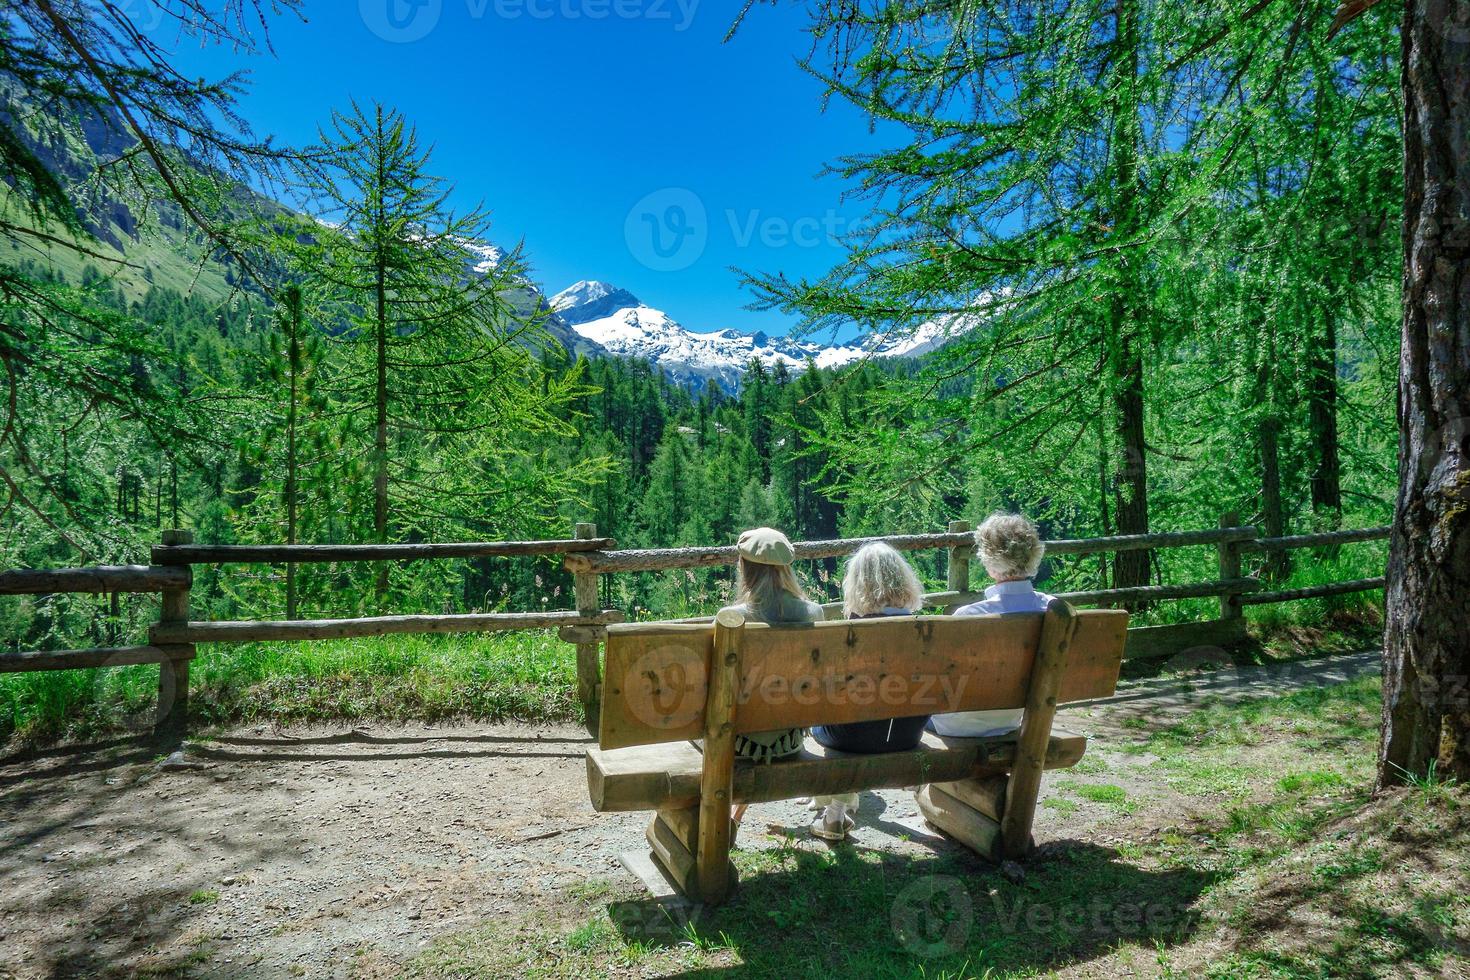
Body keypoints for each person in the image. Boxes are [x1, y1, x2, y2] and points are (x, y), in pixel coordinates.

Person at [806, 542, 930, 841]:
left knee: (822, 718)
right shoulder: (925, 630)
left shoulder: (850, 633)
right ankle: (834, 805)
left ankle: (833, 806)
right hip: (907, 735)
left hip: (850, 738)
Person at [928, 512, 1055, 739]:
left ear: (989, 561)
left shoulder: (969, 616)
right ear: (1034, 554)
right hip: (1016, 717)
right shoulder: (1054, 610)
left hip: (959, 723)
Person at [718, 527, 824, 769]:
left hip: (735, 741)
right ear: (786, 568)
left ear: (743, 568)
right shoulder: (812, 614)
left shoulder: (730, 618)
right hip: (789, 740)